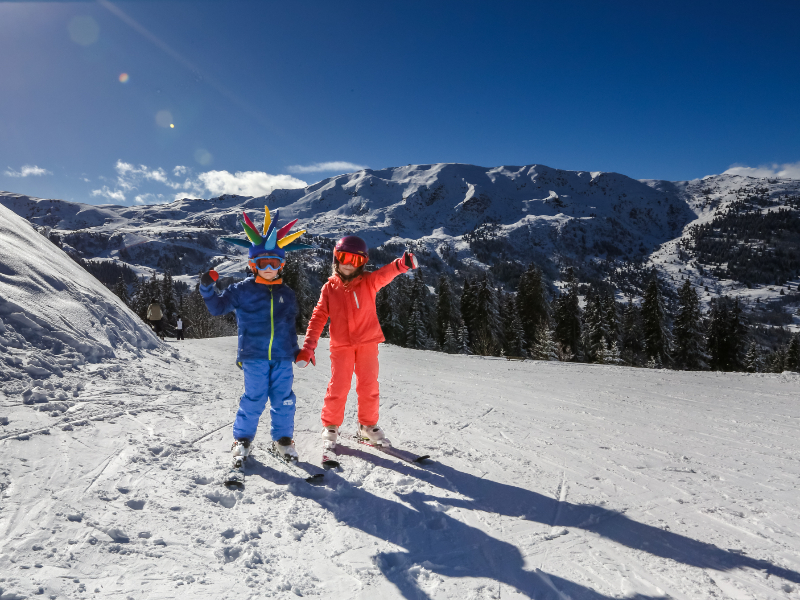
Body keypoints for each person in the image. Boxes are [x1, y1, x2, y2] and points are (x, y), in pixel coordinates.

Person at [199, 208, 312, 465]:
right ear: (253, 264)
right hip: (254, 356)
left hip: (283, 357)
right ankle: (242, 439)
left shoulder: (288, 293)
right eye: (263, 263)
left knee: (284, 400)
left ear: (282, 264)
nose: (270, 268)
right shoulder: (242, 290)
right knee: (255, 397)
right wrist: (207, 287)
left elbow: (288, 326)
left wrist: (297, 352)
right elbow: (217, 308)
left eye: (275, 262)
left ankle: (282, 440)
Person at [295, 236, 418, 450]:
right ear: (336, 258)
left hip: (367, 343)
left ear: (362, 263)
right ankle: (331, 425)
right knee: (339, 385)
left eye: (356, 259)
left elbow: (385, 274)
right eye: (344, 257)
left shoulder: (369, 282)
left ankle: (367, 425)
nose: (349, 263)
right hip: (341, 345)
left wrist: (401, 264)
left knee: (369, 385)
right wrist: (308, 347)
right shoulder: (329, 288)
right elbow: (318, 317)